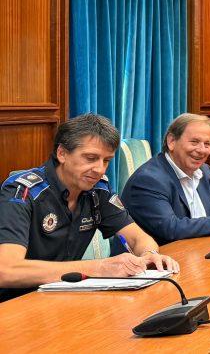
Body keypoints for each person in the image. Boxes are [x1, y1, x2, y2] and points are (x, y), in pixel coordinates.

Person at [0, 114, 179, 302]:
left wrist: (149, 256)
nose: (100, 169)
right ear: (62, 153)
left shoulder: (98, 189)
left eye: (106, 161)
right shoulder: (23, 191)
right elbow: (6, 270)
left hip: (60, 297)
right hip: (12, 304)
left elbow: (138, 237)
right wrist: (99, 267)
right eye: (91, 158)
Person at [122, 113, 210, 244]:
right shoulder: (148, 180)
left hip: (201, 252)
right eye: (194, 142)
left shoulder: (205, 171)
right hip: (156, 263)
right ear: (171, 141)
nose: (202, 150)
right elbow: (171, 229)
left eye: (207, 144)